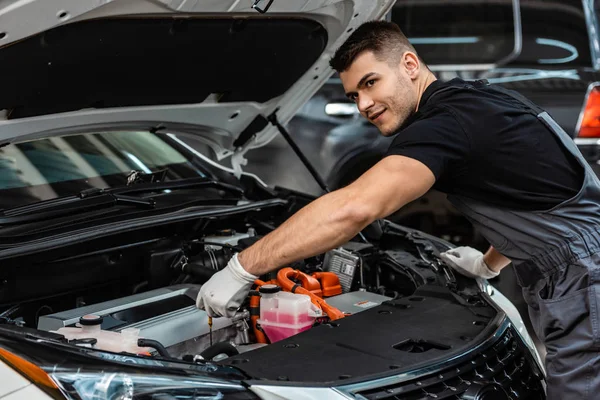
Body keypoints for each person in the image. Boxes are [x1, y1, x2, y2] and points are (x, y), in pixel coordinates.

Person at [197, 21, 599, 399]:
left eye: (371, 82)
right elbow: (530, 193)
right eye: (354, 95)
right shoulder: (479, 100)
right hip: (575, 267)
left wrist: (242, 268)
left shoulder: (446, 125)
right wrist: (489, 264)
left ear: (409, 65)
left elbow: (355, 207)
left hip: (585, 279)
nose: (364, 105)